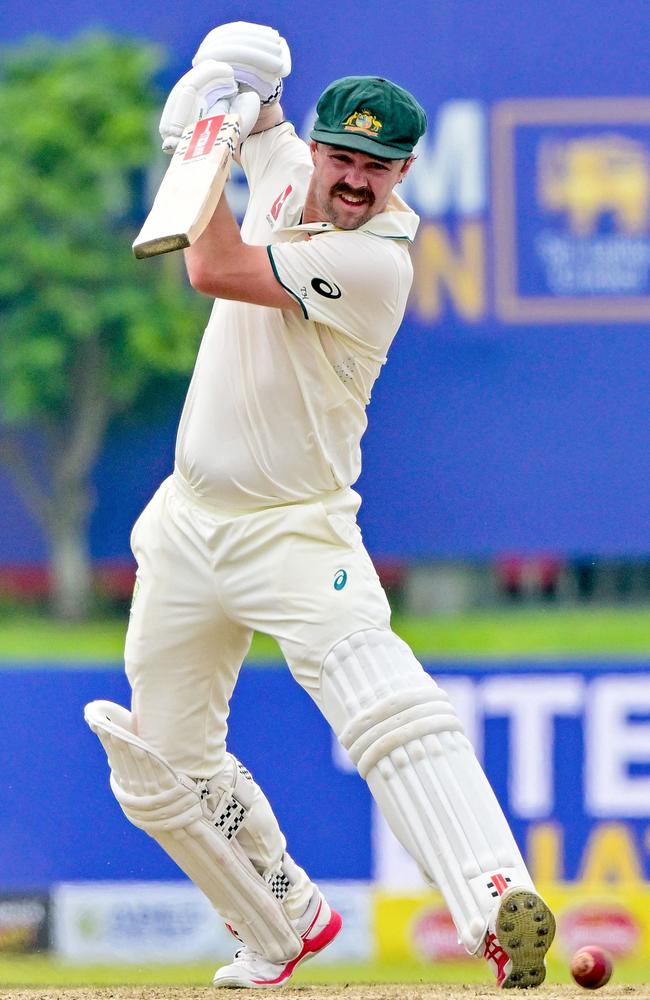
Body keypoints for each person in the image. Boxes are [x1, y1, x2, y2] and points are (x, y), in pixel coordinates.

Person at [85, 21, 555, 989]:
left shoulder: (376, 263)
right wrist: (236, 93)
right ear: (323, 146)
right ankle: (279, 919)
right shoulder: (293, 172)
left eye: (374, 168)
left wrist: (192, 146)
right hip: (186, 524)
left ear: (404, 172)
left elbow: (210, 265)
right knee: (166, 763)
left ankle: (494, 901)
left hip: (296, 531)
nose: (351, 180)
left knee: (387, 705)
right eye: (341, 156)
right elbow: (263, 117)